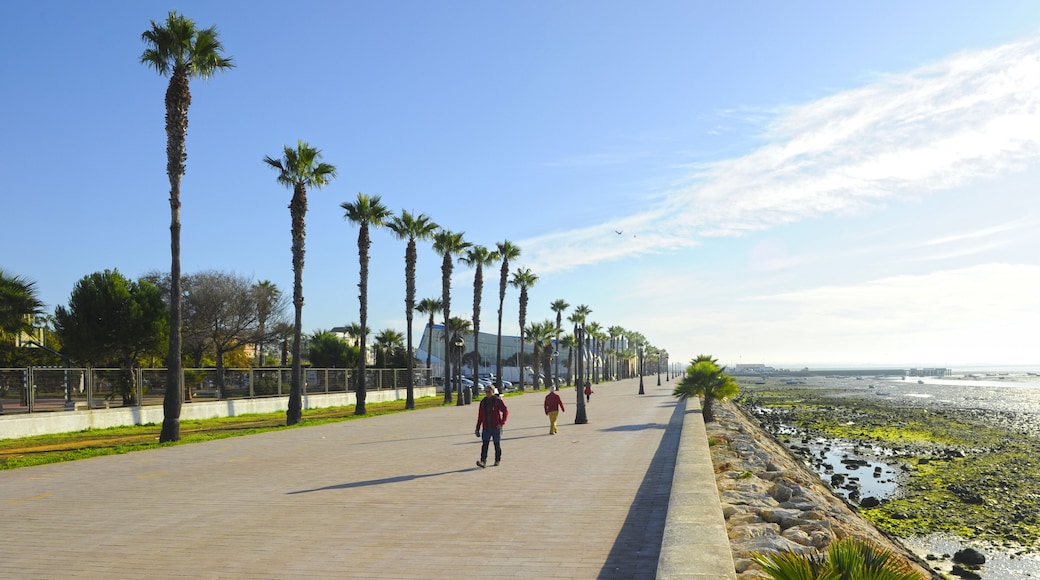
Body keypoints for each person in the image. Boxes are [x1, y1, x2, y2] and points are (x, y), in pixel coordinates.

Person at [475, 385, 508, 467]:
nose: (487, 393)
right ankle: (483, 461)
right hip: (486, 427)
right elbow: (480, 417)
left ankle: (497, 460)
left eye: (489, 392)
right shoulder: (483, 402)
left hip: (496, 427)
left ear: (493, 392)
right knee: (485, 445)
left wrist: (502, 423)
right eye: (486, 391)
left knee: (497, 444)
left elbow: (505, 411)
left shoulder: (497, 401)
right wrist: (477, 428)